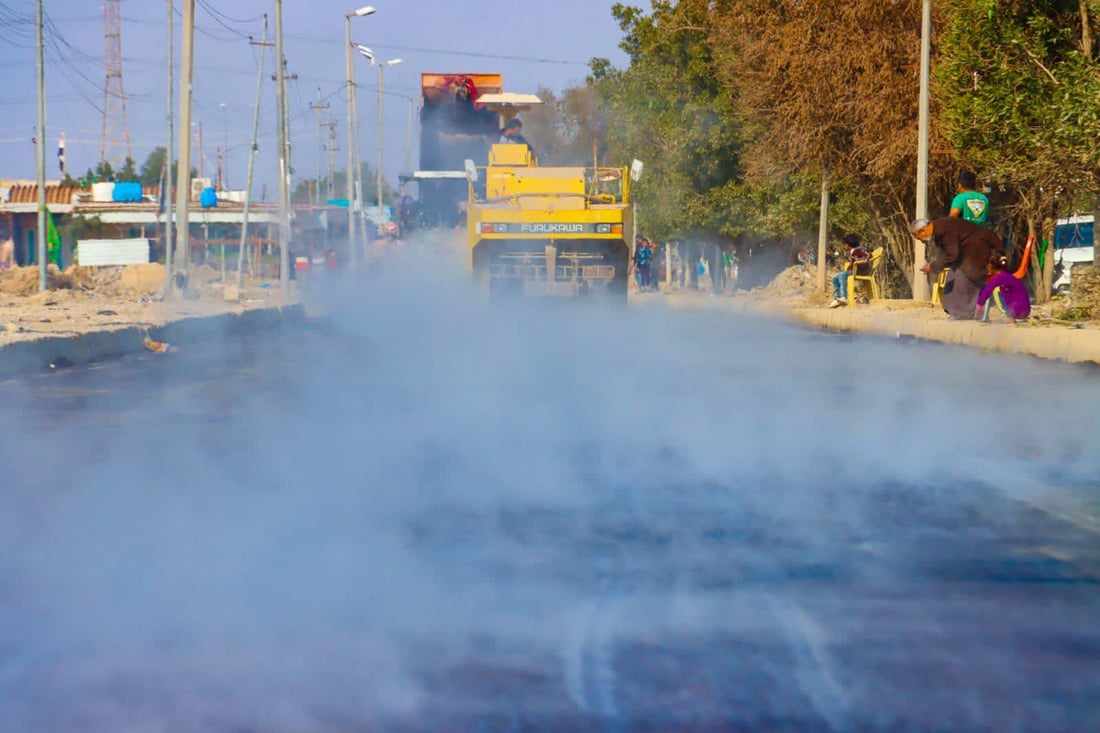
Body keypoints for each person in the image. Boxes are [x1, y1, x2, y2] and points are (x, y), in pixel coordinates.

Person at [911, 217, 1002, 319]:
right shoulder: (939, 228)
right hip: (970, 250)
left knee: (963, 274)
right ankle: (955, 312)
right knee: (952, 276)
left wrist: (933, 267)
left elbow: (952, 254)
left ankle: (965, 313)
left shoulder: (942, 230)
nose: (922, 242)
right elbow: (950, 253)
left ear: (923, 230)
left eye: (920, 238)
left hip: (978, 248)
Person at [976, 250, 1031, 322]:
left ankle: (1010, 317)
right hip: (1026, 311)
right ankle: (1011, 316)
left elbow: (986, 292)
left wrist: (978, 307)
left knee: (998, 292)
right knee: (1004, 289)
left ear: (990, 265)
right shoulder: (1009, 275)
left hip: (1017, 311)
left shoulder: (999, 277)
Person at [828, 233, 870, 308]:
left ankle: (844, 297)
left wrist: (857, 261)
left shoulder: (859, 250)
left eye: (845, 244)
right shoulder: (853, 250)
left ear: (848, 245)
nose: (845, 246)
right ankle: (837, 298)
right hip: (853, 270)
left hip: (859, 271)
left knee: (841, 275)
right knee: (835, 278)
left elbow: (868, 255)